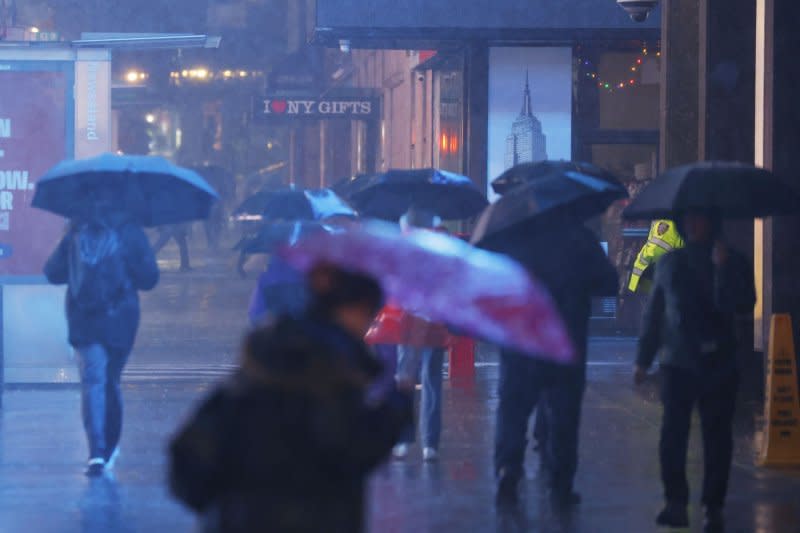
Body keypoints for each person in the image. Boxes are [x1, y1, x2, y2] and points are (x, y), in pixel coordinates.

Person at [169, 263, 414, 533]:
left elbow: (188, 464)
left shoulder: (255, 370)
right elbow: (355, 450)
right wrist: (394, 409)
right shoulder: (336, 382)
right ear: (353, 309)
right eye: (370, 313)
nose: (368, 324)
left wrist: (228, 508)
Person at [634, 210, 755, 533]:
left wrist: (723, 270)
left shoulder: (734, 261)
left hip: (719, 362)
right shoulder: (672, 262)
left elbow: (744, 303)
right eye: (688, 220)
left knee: (717, 437)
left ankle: (713, 505)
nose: (693, 225)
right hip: (679, 362)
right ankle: (676, 501)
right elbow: (656, 312)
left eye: (700, 219)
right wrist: (643, 359)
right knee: (673, 434)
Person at [490, 222, 618, 508]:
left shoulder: (510, 237)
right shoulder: (580, 239)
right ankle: (560, 484)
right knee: (564, 416)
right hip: (564, 342)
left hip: (520, 342)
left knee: (513, 410)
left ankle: (507, 469)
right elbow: (609, 282)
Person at [44, 199, 159, 477]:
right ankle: (110, 446)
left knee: (93, 380)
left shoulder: (75, 228)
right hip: (121, 319)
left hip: (83, 318)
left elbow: (53, 273)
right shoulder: (130, 230)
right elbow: (149, 279)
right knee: (111, 381)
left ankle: (96, 451)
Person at [389, 208, 450, 462]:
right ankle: (429, 443)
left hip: (410, 320)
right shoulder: (441, 244)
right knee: (430, 379)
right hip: (431, 320)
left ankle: (405, 440)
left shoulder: (402, 246)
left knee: (407, 379)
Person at [628, 219, 684, 293]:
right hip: (652, 280)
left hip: (649, 280)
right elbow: (654, 251)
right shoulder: (668, 224)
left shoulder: (670, 223)